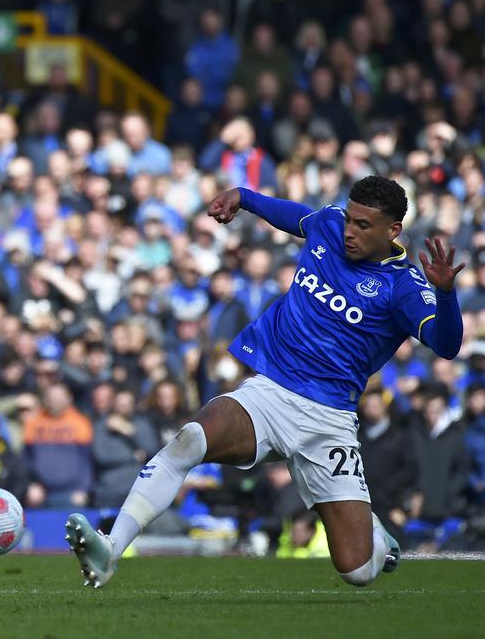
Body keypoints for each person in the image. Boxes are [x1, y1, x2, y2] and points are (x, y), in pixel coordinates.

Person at [68, 175, 463, 589]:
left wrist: (448, 295)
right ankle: (109, 550)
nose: (350, 231)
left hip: (329, 420)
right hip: (269, 392)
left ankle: (373, 533)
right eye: (350, 219)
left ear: (393, 230)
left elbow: (446, 345)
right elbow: (296, 217)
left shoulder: (403, 286)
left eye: (363, 225)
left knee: (358, 571)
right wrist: (244, 197)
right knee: (189, 440)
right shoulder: (328, 224)